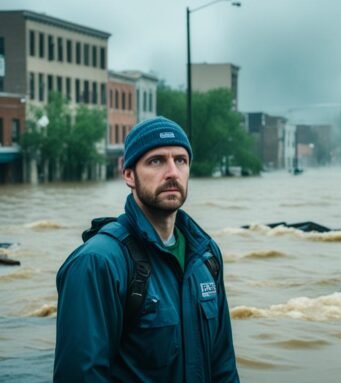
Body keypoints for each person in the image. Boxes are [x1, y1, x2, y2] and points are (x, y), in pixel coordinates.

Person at [54, 116, 240, 382]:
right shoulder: (98, 263)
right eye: (156, 161)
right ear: (129, 174)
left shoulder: (206, 257)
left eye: (180, 160)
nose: (172, 172)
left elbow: (223, 367)